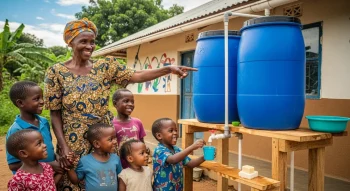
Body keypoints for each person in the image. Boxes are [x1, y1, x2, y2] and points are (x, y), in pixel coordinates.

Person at [44, 18, 196, 190]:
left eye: (92, 42)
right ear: (70, 43)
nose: (89, 46)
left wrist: (168, 69)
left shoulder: (105, 67)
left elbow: (136, 75)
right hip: (73, 139)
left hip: (105, 136)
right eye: (83, 41)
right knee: (73, 180)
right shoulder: (56, 72)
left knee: (107, 178)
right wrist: (63, 146)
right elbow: (55, 113)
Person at [6, 81, 61, 174]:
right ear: (20, 103)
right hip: (31, 182)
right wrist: (49, 165)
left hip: (47, 178)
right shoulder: (16, 130)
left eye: (42, 97)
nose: (42, 101)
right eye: (36, 99)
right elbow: (13, 165)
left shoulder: (43, 122)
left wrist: (56, 157)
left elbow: (47, 149)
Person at [152, 118, 206, 191]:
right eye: (171, 130)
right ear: (159, 136)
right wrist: (192, 147)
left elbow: (191, 164)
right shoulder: (159, 150)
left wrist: (205, 156)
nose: (175, 133)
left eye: (176, 130)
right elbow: (173, 159)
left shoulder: (177, 150)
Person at [66, 123, 122, 191]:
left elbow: (120, 179)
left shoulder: (115, 159)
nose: (115, 141)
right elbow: (75, 181)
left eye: (115, 138)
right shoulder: (85, 161)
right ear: (97, 144)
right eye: (110, 139)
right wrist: (69, 168)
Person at [111, 88, 150, 168]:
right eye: (126, 101)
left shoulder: (137, 122)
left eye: (132, 102)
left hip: (137, 165)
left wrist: (145, 150)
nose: (131, 104)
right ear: (115, 104)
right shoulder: (111, 125)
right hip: (120, 166)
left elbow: (141, 142)